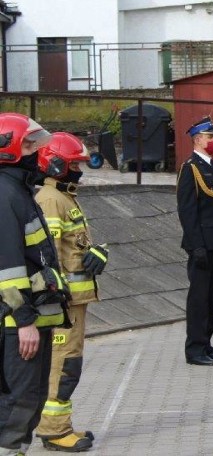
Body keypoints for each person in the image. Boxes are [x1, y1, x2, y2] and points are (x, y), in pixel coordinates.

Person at [0, 113, 71, 456]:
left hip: (31, 318)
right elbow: (7, 267)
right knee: (17, 404)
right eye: (30, 144)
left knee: (30, 400)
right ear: (10, 148)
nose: (37, 151)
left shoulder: (18, 189)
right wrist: (25, 319)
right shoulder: (5, 193)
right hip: (18, 321)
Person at [34, 133, 107, 452]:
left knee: (68, 364)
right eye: (75, 164)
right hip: (63, 304)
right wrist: (55, 298)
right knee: (63, 366)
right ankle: (54, 430)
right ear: (57, 165)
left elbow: (73, 247)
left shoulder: (64, 196)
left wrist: (99, 253)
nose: (80, 170)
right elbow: (45, 254)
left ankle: (60, 425)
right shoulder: (52, 200)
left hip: (74, 301)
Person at [176, 116, 213, 366]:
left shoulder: (212, 165)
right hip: (202, 243)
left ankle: (206, 343)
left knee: (212, 297)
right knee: (199, 298)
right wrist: (197, 245)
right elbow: (187, 211)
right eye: (210, 137)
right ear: (198, 139)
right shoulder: (190, 168)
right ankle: (194, 349)